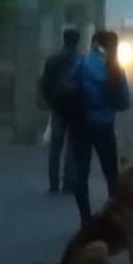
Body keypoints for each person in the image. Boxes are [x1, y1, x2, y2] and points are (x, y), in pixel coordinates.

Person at [69, 30, 130, 224]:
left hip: (81, 125)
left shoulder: (83, 62)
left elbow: (70, 85)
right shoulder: (116, 68)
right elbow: (124, 103)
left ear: (95, 42)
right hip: (105, 127)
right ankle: (112, 217)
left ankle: (85, 220)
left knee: (81, 174)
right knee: (111, 174)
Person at [40, 28, 81, 194]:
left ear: (64, 39)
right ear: (77, 41)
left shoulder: (52, 60)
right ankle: (68, 184)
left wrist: (51, 101)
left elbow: (45, 84)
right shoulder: (81, 61)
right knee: (72, 147)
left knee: (55, 147)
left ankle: (53, 183)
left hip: (58, 108)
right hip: (76, 110)